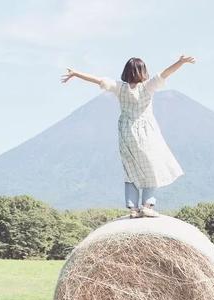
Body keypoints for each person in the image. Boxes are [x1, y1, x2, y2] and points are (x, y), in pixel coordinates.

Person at [61, 55, 195, 218]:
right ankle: (147, 205)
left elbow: (98, 80)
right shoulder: (148, 86)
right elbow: (165, 73)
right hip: (146, 133)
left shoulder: (120, 88)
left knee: (130, 169)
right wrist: (180, 62)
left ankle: (133, 209)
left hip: (125, 133)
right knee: (152, 168)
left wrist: (76, 73)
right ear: (143, 71)